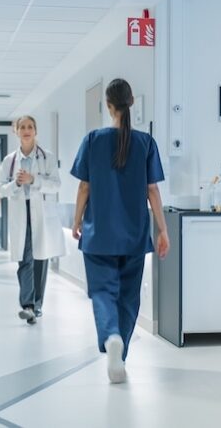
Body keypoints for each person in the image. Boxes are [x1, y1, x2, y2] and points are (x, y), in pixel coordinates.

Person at [70, 78, 170, 383]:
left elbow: (85, 186)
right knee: (128, 297)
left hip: (99, 233)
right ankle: (120, 354)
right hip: (135, 233)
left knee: (102, 291)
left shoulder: (93, 140)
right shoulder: (146, 142)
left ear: (109, 106)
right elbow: (152, 190)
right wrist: (162, 231)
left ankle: (111, 336)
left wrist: (76, 221)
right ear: (131, 104)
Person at [0, 115, 65, 324]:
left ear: (35, 131)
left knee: (40, 260)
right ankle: (27, 304)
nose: (26, 130)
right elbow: (1, 189)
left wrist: (34, 180)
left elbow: (56, 185)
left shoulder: (48, 157)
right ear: (16, 131)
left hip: (41, 213)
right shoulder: (9, 161)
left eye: (30, 127)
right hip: (21, 212)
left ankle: (36, 305)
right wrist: (16, 184)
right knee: (24, 259)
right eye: (22, 127)